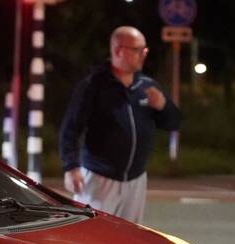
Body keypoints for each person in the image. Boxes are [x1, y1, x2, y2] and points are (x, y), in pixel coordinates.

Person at [59, 26, 181, 223]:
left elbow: (173, 123)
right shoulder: (94, 85)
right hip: (99, 178)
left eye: (145, 50)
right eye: (137, 50)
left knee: (128, 240)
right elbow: (71, 128)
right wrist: (71, 166)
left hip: (136, 180)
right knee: (92, 238)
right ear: (117, 50)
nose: (143, 55)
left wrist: (163, 106)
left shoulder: (147, 86)